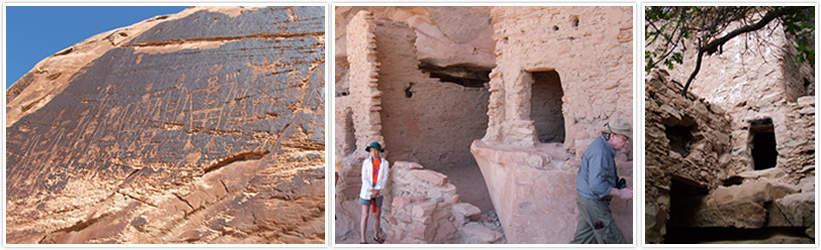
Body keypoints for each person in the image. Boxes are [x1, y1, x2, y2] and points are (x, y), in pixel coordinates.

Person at [570, 117, 633, 244]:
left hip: (588, 203)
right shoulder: (599, 152)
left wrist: (619, 185)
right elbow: (597, 185)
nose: (626, 143)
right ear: (613, 136)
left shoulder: (602, 147)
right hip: (593, 204)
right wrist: (621, 193)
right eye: (625, 139)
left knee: (583, 241)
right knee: (613, 240)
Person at [359, 142, 389, 244]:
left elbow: (384, 178)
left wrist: (377, 190)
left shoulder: (384, 163)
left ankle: (376, 235)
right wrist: (370, 189)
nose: (374, 153)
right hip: (366, 192)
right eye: (372, 151)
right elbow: (364, 177)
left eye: (376, 150)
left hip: (378, 192)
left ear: (379, 151)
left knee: (377, 215)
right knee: (365, 215)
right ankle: (363, 239)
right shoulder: (366, 162)